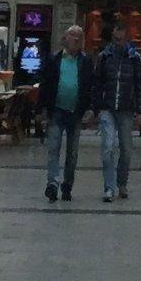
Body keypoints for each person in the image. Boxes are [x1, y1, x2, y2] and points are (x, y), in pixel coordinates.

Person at [93, 17, 141, 201]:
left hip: (126, 109)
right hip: (107, 108)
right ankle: (109, 187)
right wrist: (95, 108)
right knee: (107, 147)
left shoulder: (135, 58)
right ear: (112, 37)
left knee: (126, 149)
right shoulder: (104, 57)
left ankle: (122, 182)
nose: (118, 43)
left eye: (121, 39)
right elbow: (97, 83)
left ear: (126, 38)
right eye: (116, 39)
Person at [42, 24, 94, 201]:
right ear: (65, 38)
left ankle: (67, 184)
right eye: (73, 35)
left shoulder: (85, 61)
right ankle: (52, 184)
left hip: (75, 112)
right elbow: (46, 83)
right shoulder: (55, 59)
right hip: (56, 110)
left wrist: (90, 108)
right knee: (53, 148)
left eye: (79, 36)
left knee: (72, 152)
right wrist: (42, 109)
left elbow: (90, 86)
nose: (76, 39)